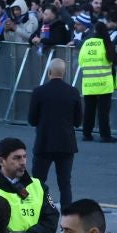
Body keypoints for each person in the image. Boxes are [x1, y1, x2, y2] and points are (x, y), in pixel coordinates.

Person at [27, 59, 83, 209]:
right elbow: (78, 121)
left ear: (49, 72)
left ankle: (38, 211)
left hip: (44, 142)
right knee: (65, 183)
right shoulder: (73, 92)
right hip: (66, 144)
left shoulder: (39, 92)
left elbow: (32, 119)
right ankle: (67, 220)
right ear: (64, 73)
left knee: (38, 182)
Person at [78, 22, 117, 143]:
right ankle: (105, 135)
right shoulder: (106, 43)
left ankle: (87, 134)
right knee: (103, 111)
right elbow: (114, 60)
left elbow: (81, 61)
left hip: (89, 82)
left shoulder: (86, 43)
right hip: (104, 82)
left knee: (89, 109)